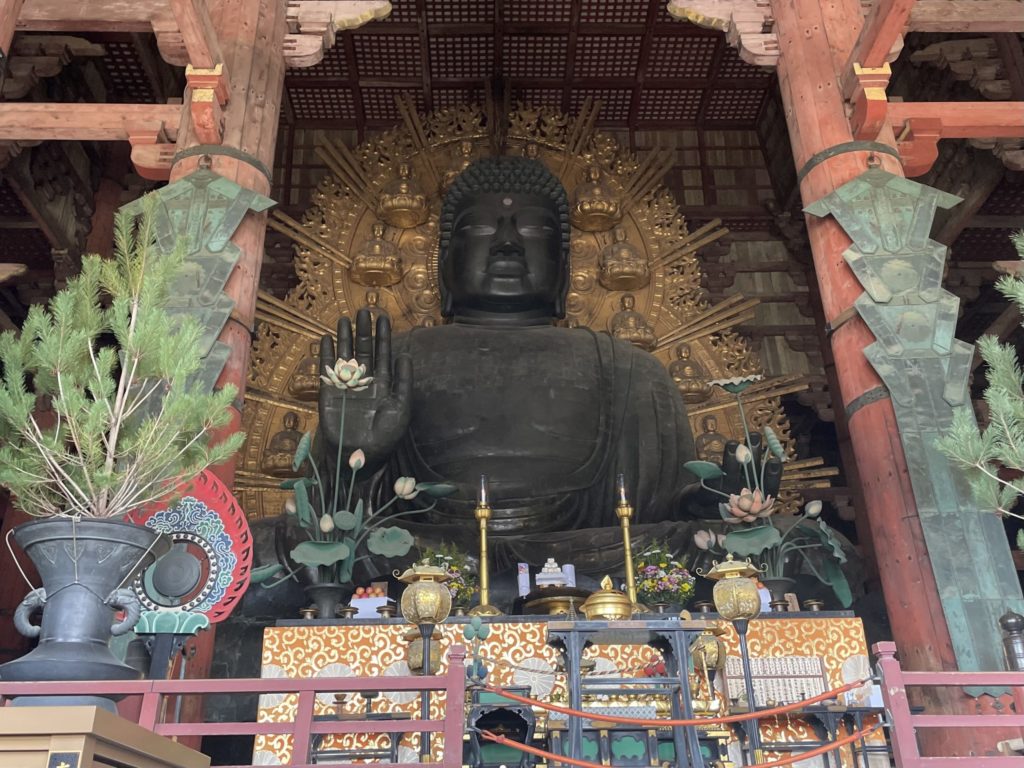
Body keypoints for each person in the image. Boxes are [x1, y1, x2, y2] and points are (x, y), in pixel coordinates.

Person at [315, 156, 778, 542]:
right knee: (278, 548)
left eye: (534, 232)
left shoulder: (631, 369)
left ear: (564, 267)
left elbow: (663, 510)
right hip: (425, 559)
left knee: (801, 545)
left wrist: (715, 504)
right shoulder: (387, 363)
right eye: (479, 230)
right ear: (442, 264)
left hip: (592, 560)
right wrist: (354, 459)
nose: (507, 243)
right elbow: (329, 516)